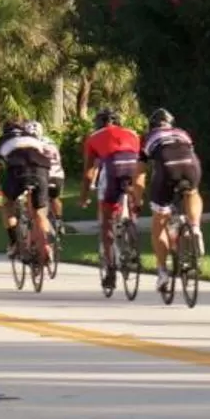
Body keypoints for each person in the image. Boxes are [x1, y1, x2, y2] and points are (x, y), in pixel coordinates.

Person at [140, 108, 204, 293]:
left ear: (151, 126)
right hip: (191, 166)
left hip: (167, 171)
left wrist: (137, 199)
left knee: (158, 223)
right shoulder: (182, 133)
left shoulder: (148, 137)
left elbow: (139, 174)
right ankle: (195, 228)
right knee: (193, 192)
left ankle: (162, 272)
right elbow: (188, 154)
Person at [81, 109, 142, 290]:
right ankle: (131, 231)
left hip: (113, 166)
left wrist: (84, 197)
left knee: (107, 222)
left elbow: (89, 172)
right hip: (133, 166)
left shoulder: (93, 137)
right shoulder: (133, 134)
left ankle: (111, 270)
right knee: (131, 198)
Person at [0, 120, 62, 272]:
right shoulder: (35, 140)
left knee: (7, 204)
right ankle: (46, 245)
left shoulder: (2, 141)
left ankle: (14, 242)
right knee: (39, 213)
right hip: (42, 171)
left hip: (18, 172)